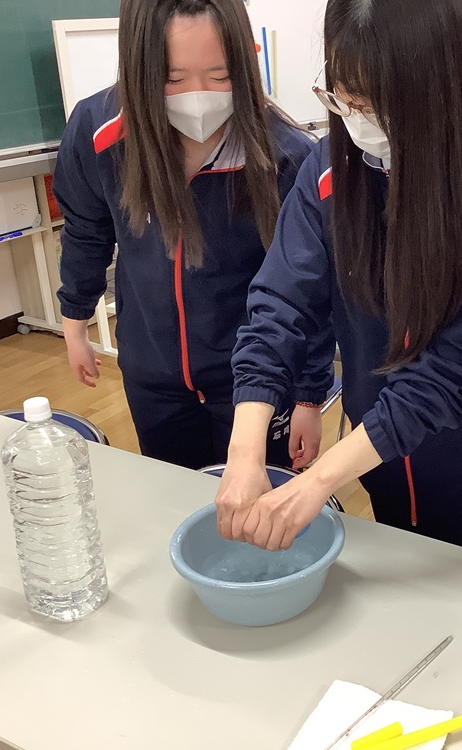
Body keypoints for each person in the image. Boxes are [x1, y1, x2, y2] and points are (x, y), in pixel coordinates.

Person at [215, 0, 462, 565]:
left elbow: (460, 367)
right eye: (344, 98)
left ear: (440, 87)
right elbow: (280, 302)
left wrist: (320, 479)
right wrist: (245, 452)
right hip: (385, 469)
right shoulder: (334, 166)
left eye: (377, 104)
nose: (357, 120)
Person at [53, 0, 327, 471]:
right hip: (152, 371)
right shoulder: (98, 132)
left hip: (255, 378)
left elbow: (311, 288)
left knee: (258, 498)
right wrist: (75, 322)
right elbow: (86, 229)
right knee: (176, 494)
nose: (197, 96)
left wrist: (308, 396)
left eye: (220, 76)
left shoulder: (286, 154)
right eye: (173, 79)